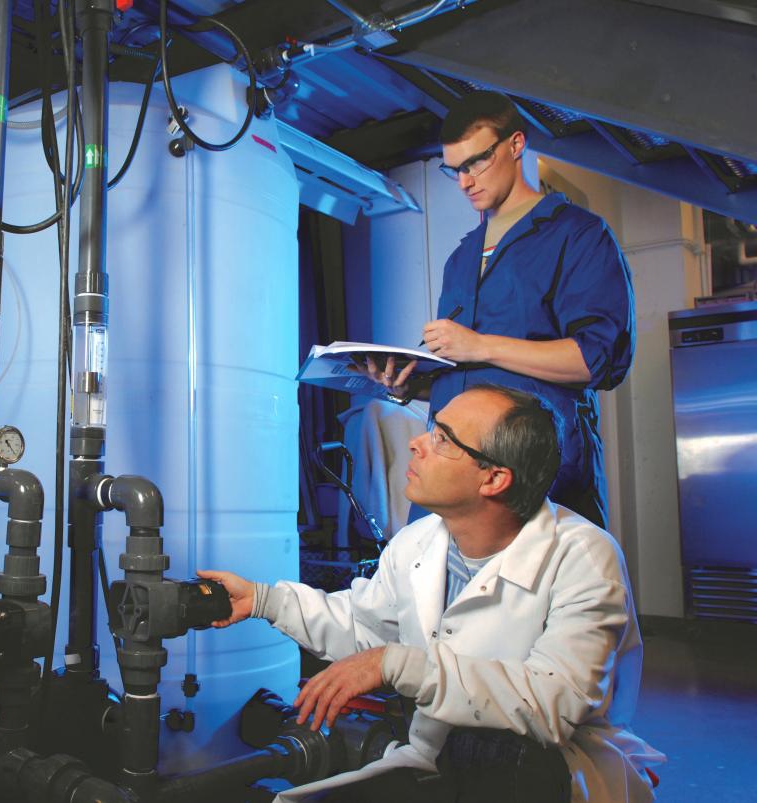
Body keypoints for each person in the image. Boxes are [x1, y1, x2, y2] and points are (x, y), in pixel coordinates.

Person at [200, 385, 662, 802]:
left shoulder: (583, 556)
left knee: (503, 754)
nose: (416, 444)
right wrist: (264, 600)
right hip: (437, 756)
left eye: (443, 438)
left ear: (493, 478)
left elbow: (553, 702)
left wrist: (398, 664)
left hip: (544, 773)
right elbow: (364, 627)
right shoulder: (420, 540)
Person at [367, 91, 634, 528]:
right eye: (454, 170)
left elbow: (596, 360)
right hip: (454, 476)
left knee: (538, 591)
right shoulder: (462, 258)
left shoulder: (578, 235)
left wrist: (479, 345)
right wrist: (404, 386)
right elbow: (468, 375)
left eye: (476, 162)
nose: (465, 182)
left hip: (532, 473)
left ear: (515, 144)